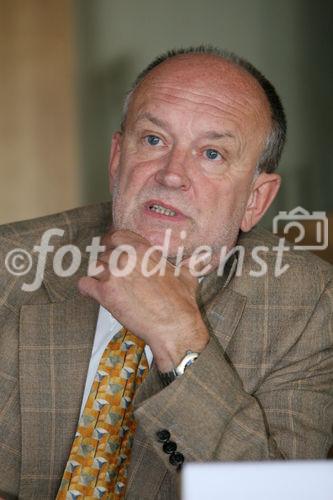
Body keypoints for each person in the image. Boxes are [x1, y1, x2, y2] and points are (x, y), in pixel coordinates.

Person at [0, 46, 332, 500]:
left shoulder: (311, 307)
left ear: (255, 199)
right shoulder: (10, 265)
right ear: (118, 159)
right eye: (154, 140)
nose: (172, 175)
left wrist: (179, 338)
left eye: (212, 153)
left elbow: (278, 494)